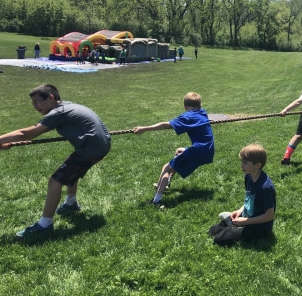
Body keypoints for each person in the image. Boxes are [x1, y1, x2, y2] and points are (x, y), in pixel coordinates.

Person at [0, 84, 111, 237]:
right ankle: (70, 204)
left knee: (55, 180)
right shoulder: (67, 106)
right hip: (99, 145)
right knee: (71, 166)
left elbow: (26, 133)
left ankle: (44, 225)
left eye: (37, 102)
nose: (35, 107)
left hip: (90, 149)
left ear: (51, 97)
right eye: (33, 103)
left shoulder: (59, 112)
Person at [133, 92, 214, 206]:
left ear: (185, 107)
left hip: (198, 150)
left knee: (166, 168)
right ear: (200, 105)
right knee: (179, 151)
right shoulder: (202, 112)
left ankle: (156, 200)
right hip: (208, 150)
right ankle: (166, 183)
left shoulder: (188, 116)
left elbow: (165, 124)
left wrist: (144, 129)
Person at [208, 143, 276, 246]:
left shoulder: (265, 188)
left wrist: (244, 221)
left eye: (245, 163)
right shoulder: (248, 177)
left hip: (259, 227)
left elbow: (269, 216)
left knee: (219, 239)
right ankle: (233, 224)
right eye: (241, 162)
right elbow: (250, 199)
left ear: (257, 165)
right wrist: (239, 211)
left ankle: (234, 226)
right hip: (246, 217)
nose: (241, 165)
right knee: (212, 231)